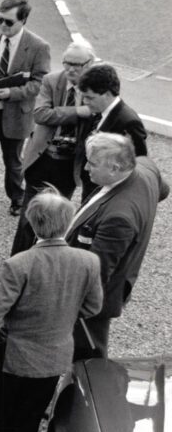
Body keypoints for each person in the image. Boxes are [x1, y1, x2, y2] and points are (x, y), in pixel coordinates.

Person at [0, 189, 102, 432]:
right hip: (52, 356)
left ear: (32, 222)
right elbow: (93, 307)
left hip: (11, 354)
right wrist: (62, 317)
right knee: (30, 417)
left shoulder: (20, 264)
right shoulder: (88, 261)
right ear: (67, 222)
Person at [66, 133, 165, 358]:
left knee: (87, 357)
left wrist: (72, 306)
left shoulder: (119, 217)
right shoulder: (146, 167)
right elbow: (163, 190)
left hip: (96, 300)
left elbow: (97, 274)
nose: (86, 168)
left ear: (115, 168)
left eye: (92, 163)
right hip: (114, 283)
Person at [11, 41, 97, 254]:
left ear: (89, 64)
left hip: (69, 165)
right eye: (67, 63)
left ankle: (43, 260)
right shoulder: (52, 80)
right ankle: (18, 259)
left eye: (76, 65)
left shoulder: (95, 87)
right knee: (30, 217)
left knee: (55, 218)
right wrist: (78, 112)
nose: (70, 69)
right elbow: (41, 114)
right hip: (42, 159)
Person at [0, 0, 51, 215]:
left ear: (23, 20)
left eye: (8, 22)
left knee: (13, 162)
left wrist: (12, 93)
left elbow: (39, 82)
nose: (2, 26)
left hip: (16, 114)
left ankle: (17, 197)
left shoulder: (38, 47)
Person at [74, 64, 148, 200]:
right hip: (93, 186)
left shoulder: (128, 122)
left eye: (90, 97)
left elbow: (138, 163)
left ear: (107, 94)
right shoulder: (99, 111)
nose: (85, 102)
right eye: (84, 97)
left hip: (107, 193)